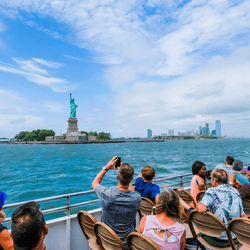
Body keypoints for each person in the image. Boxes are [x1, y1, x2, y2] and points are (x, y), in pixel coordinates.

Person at [92, 156, 141, 244]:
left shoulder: (108, 194)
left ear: (117, 178)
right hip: (127, 243)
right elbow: (131, 191)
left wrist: (106, 168)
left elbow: (95, 183)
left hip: (107, 240)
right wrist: (126, 175)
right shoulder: (136, 198)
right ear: (131, 179)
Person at [196, 169, 247, 247]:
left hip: (217, 240)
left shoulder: (211, 191)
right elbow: (243, 216)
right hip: (234, 240)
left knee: (200, 233)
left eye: (211, 179)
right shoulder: (235, 191)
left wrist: (197, 204)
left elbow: (201, 209)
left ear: (214, 180)